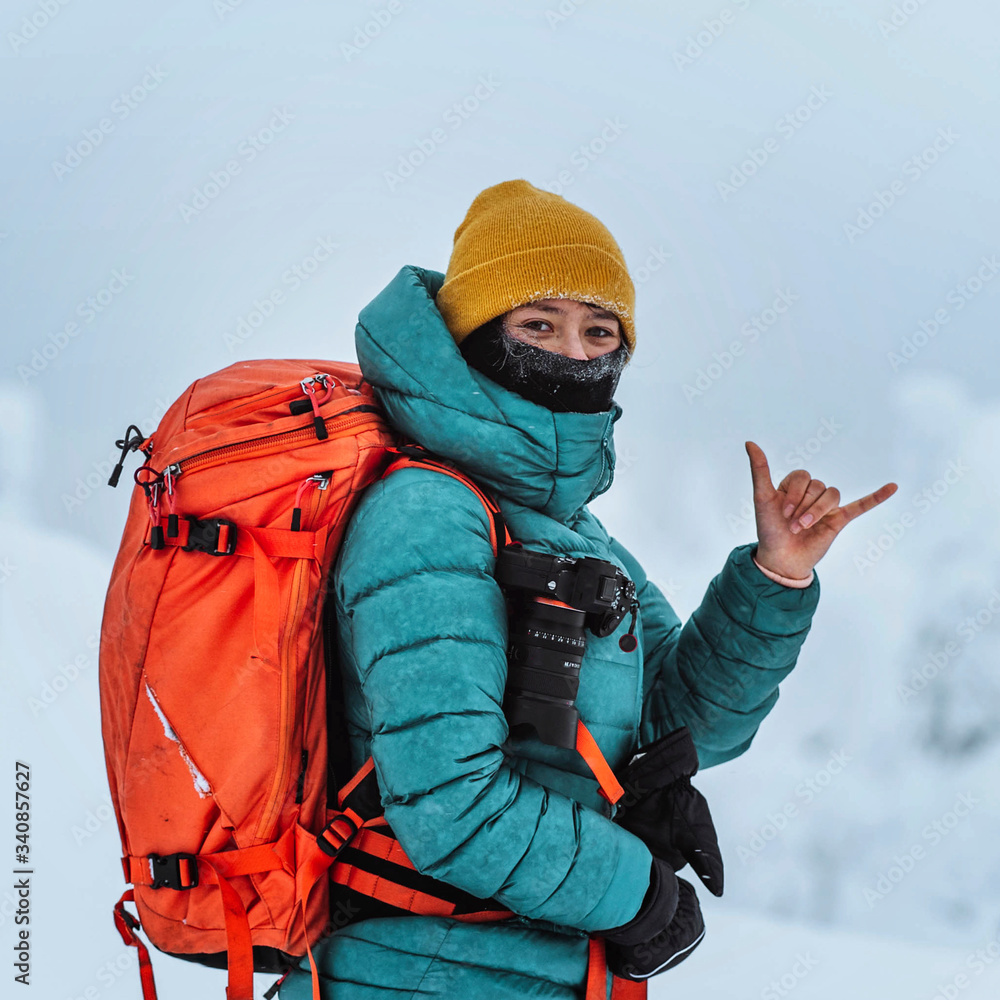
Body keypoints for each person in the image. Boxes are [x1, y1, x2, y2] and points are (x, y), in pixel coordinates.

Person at [277, 179, 896, 999]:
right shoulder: (425, 514)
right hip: (419, 975)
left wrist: (776, 576)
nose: (574, 352)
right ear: (475, 337)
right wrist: (639, 894)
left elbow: (687, 725)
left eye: (599, 330)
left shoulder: (576, 534)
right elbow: (451, 806)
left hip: (545, 974)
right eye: (539, 323)